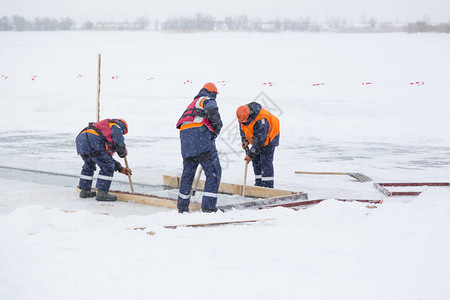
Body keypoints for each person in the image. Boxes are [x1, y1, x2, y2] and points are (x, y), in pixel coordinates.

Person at [176, 83, 223, 213]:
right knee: (214, 171)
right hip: (200, 137)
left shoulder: (193, 102)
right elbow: (212, 112)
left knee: (188, 174)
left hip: (186, 140)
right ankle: (208, 208)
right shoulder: (207, 100)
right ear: (213, 93)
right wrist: (216, 130)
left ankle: (182, 208)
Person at [75, 118, 132, 201]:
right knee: (107, 167)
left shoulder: (103, 128)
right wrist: (122, 151)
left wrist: (120, 168)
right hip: (93, 140)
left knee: (89, 165)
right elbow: (119, 143)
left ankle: (84, 191)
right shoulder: (115, 126)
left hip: (81, 140)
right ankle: (102, 193)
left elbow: (105, 158)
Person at [236, 102, 280, 188]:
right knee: (256, 161)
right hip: (258, 136)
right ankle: (259, 184)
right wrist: (245, 140)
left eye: (245, 122)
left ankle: (268, 187)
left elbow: (260, 141)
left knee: (265, 161)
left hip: (270, 137)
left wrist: (250, 155)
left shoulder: (261, 120)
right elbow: (243, 127)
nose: (244, 123)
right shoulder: (243, 115)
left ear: (250, 116)